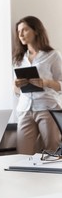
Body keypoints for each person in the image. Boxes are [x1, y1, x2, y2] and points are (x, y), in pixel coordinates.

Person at [13, 16, 62, 154]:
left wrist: (45, 82)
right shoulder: (19, 59)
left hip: (48, 108)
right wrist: (16, 84)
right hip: (24, 110)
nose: (21, 34)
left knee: (53, 152)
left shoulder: (53, 55)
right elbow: (16, 91)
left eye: (25, 30)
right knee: (23, 154)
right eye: (18, 31)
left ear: (36, 31)